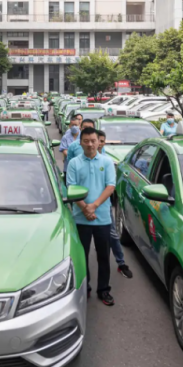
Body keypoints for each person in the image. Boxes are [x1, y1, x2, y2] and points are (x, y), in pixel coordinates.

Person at [66, 127, 116, 306]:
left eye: (93, 140)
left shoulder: (107, 162)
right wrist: (85, 208)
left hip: (102, 217)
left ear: (99, 142)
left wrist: (93, 206)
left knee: (104, 256)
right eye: (86, 141)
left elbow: (110, 187)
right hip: (81, 218)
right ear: (80, 142)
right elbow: (71, 187)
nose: (90, 144)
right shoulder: (74, 163)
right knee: (82, 256)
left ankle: (103, 290)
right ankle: (84, 288)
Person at [98, 131, 132, 279]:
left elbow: (110, 186)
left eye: (101, 141)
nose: (98, 143)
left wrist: (96, 204)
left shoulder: (107, 161)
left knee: (112, 235)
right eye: (96, 140)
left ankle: (121, 263)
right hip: (84, 207)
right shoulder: (79, 160)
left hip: (103, 206)